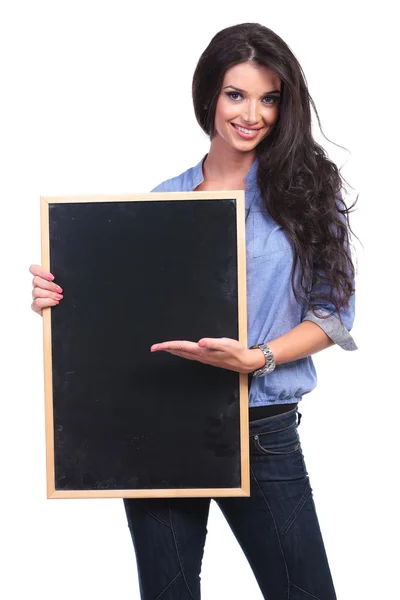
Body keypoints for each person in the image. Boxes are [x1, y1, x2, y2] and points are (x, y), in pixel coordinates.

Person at [29, 22, 357, 600]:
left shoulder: (305, 193)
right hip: (160, 425)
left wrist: (257, 357)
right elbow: (129, 322)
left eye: (269, 98)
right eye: (237, 94)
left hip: (262, 430)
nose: (252, 113)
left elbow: (334, 316)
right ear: (209, 95)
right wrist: (63, 306)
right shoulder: (162, 202)